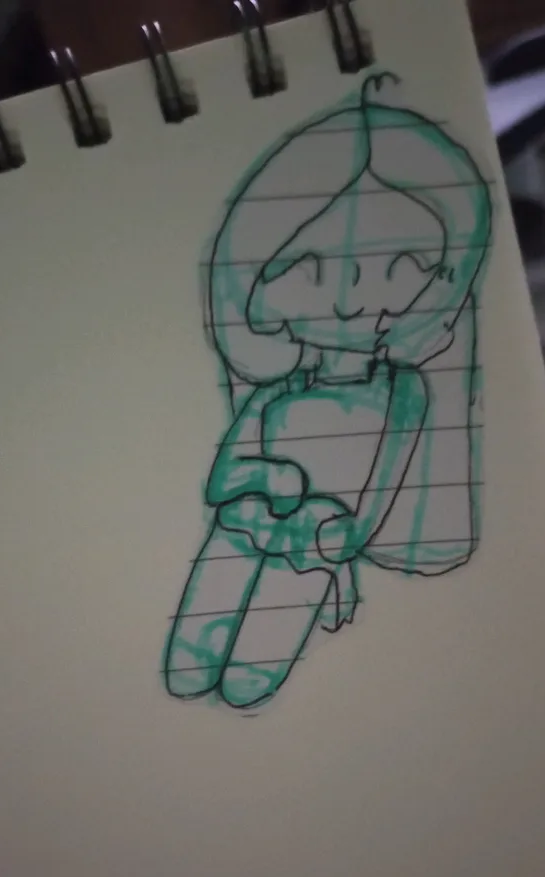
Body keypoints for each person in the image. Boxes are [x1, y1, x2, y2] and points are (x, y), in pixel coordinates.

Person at [164, 72, 492, 710]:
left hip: (314, 553)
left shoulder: (405, 396)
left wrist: (339, 551)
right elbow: (223, 478)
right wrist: (269, 482)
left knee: (252, 677)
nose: (348, 303)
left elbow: (381, 488)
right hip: (239, 532)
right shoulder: (271, 396)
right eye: (308, 273)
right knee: (189, 663)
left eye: (400, 271)